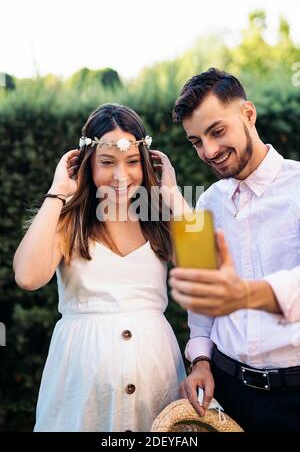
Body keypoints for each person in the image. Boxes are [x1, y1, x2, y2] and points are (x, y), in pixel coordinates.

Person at [13, 103, 187, 432]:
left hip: (156, 374)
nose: (121, 176)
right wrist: (58, 192)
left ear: (146, 163)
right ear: (88, 164)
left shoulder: (159, 216)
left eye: (133, 162)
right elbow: (27, 276)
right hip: (81, 382)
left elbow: (205, 265)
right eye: (107, 163)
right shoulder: (67, 221)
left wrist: (173, 195)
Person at [169, 68, 300, 431]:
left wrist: (244, 294)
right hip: (227, 394)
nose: (208, 151)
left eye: (217, 131)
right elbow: (202, 300)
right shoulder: (207, 202)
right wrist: (201, 361)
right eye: (196, 141)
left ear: (248, 113)